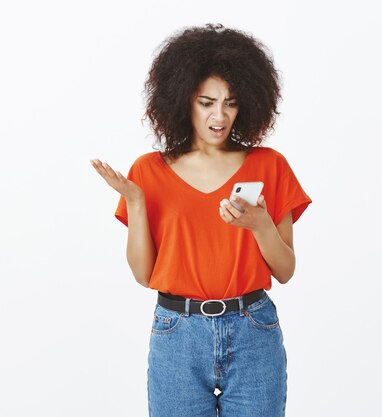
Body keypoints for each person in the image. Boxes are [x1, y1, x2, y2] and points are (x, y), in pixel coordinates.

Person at [90, 23, 312, 417]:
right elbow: (144, 275)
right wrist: (136, 203)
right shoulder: (149, 170)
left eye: (231, 102)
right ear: (182, 101)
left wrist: (260, 226)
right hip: (177, 334)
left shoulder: (269, 166)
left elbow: (286, 270)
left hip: (253, 331)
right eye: (207, 102)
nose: (219, 115)